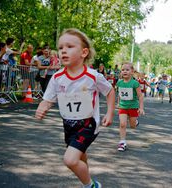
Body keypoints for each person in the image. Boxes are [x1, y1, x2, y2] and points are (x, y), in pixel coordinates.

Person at [35, 28, 115, 188]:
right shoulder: (57, 78)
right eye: (60, 47)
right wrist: (42, 107)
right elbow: (48, 99)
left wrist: (110, 113)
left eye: (70, 47)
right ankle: (88, 180)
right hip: (69, 125)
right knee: (80, 157)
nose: (63, 51)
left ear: (84, 52)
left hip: (88, 124)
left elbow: (110, 91)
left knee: (70, 160)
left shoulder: (93, 76)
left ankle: (91, 185)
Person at [116, 62, 144, 151]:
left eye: (127, 70)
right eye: (123, 70)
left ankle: (135, 122)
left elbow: (140, 96)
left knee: (132, 126)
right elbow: (119, 94)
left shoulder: (135, 83)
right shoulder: (119, 83)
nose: (125, 71)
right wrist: (118, 103)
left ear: (132, 72)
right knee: (122, 124)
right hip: (123, 106)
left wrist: (141, 108)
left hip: (133, 107)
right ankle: (122, 142)